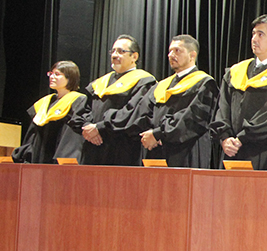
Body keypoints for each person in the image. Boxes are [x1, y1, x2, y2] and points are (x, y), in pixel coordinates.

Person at [210, 14, 267, 170]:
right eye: (253, 34)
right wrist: (225, 138)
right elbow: (223, 108)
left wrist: (242, 138)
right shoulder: (235, 72)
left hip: (265, 152)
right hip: (232, 152)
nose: (254, 39)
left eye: (261, 34)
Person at [133, 35, 218, 168]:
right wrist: (150, 134)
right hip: (156, 151)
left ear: (192, 55)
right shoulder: (161, 85)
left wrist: (158, 133)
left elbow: (191, 120)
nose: (171, 55)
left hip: (185, 151)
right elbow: (143, 112)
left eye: (177, 51)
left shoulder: (204, 83)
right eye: (170, 51)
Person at [79, 34, 157, 166]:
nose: (115, 55)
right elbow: (83, 109)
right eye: (113, 51)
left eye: (121, 51)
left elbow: (133, 113)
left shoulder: (144, 82)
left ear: (134, 56)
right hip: (92, 147)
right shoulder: (100, 83)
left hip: (121, 147)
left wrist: (100, 127)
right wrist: (87, 127)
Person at [12, 61, 87, 164]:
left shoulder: (78, 100)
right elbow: (32, 133)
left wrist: (63, 160)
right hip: (38, 157)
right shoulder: (45, 102)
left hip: (59, 157)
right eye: (51, 73)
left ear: (70, 78)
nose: (52, 77)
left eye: (57, 74)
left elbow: (73, 136)